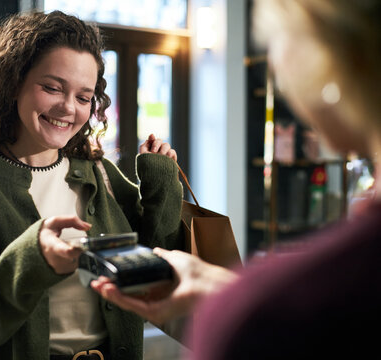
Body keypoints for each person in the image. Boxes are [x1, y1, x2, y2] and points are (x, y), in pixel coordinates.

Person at [91, 0, 381, 358]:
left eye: (276, 41)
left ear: (335, 64)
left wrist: (240, 302)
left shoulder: (258, 321)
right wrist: (223, 286)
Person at [0, 10, 183, 360]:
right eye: (52, 87)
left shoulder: (99, 174)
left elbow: (156, 264)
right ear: (13, 83)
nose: (67, 108)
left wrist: (160, 182)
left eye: (83, 96)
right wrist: (33, 258)